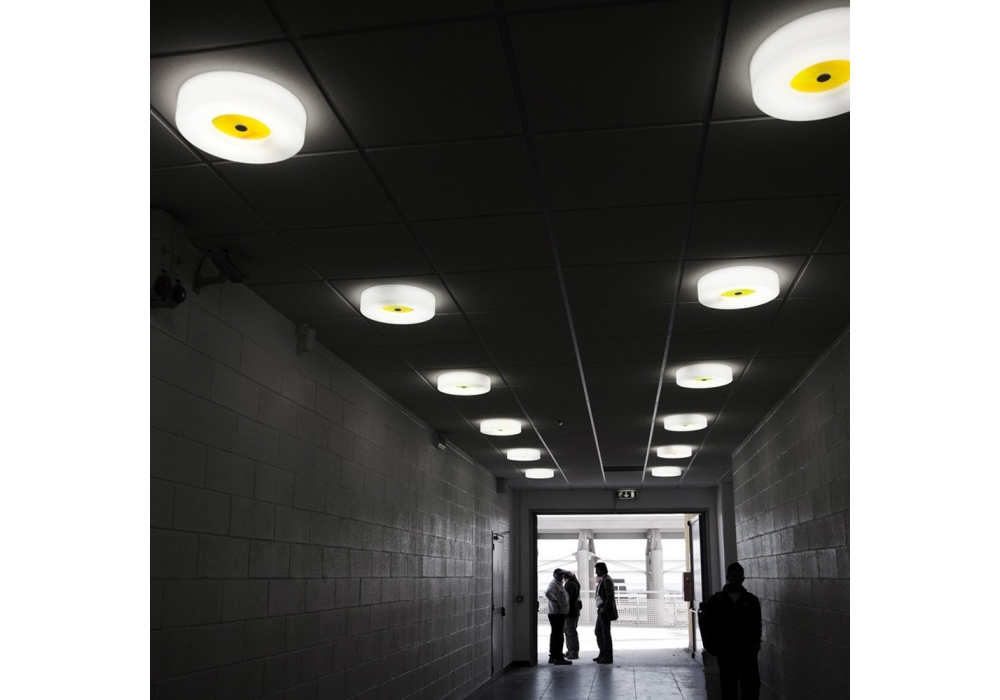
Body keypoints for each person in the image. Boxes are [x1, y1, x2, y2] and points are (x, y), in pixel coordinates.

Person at [702, 562, 762, 700]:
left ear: (743, 579)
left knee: (752, 685)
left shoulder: (751, 600)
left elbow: (756, 624)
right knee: (729, 686)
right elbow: (707, 625)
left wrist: (756, 644)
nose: (736, 579)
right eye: (733, 576)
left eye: (739, 576)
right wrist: (712, 647)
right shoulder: (716, 601)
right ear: (727, 577)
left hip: (747, 650)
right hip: (726, 650)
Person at [544, 568, 572, 664]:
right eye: (559, 575)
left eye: (562, 575)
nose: (561, 576)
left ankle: (553, 656)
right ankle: (558, 658)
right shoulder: (554, 583)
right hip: (556, 613)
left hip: (559, 613)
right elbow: (548, 592)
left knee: (555, 635)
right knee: (558, 636)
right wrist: (556, 602)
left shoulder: (559, 584)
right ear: (554, 575)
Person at [593, 562, 616, 664]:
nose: (596, 572)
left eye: (597, 570)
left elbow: (610, 597)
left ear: (602, 570)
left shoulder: (606, 580)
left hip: (604, 610)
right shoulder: (603, 579)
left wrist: (604, 609)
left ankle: (607, 656)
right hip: (601, 610)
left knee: (605, 633)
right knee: (599, 631)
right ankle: (603, 654)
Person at [561, 571, 581, 659]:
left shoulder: (570, 585)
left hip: (570, 611)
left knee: (570, 632)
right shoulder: (575, 583)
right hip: (574, 611)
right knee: (569, 631)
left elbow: (567, 599)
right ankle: (571, 650)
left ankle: (573, 651)